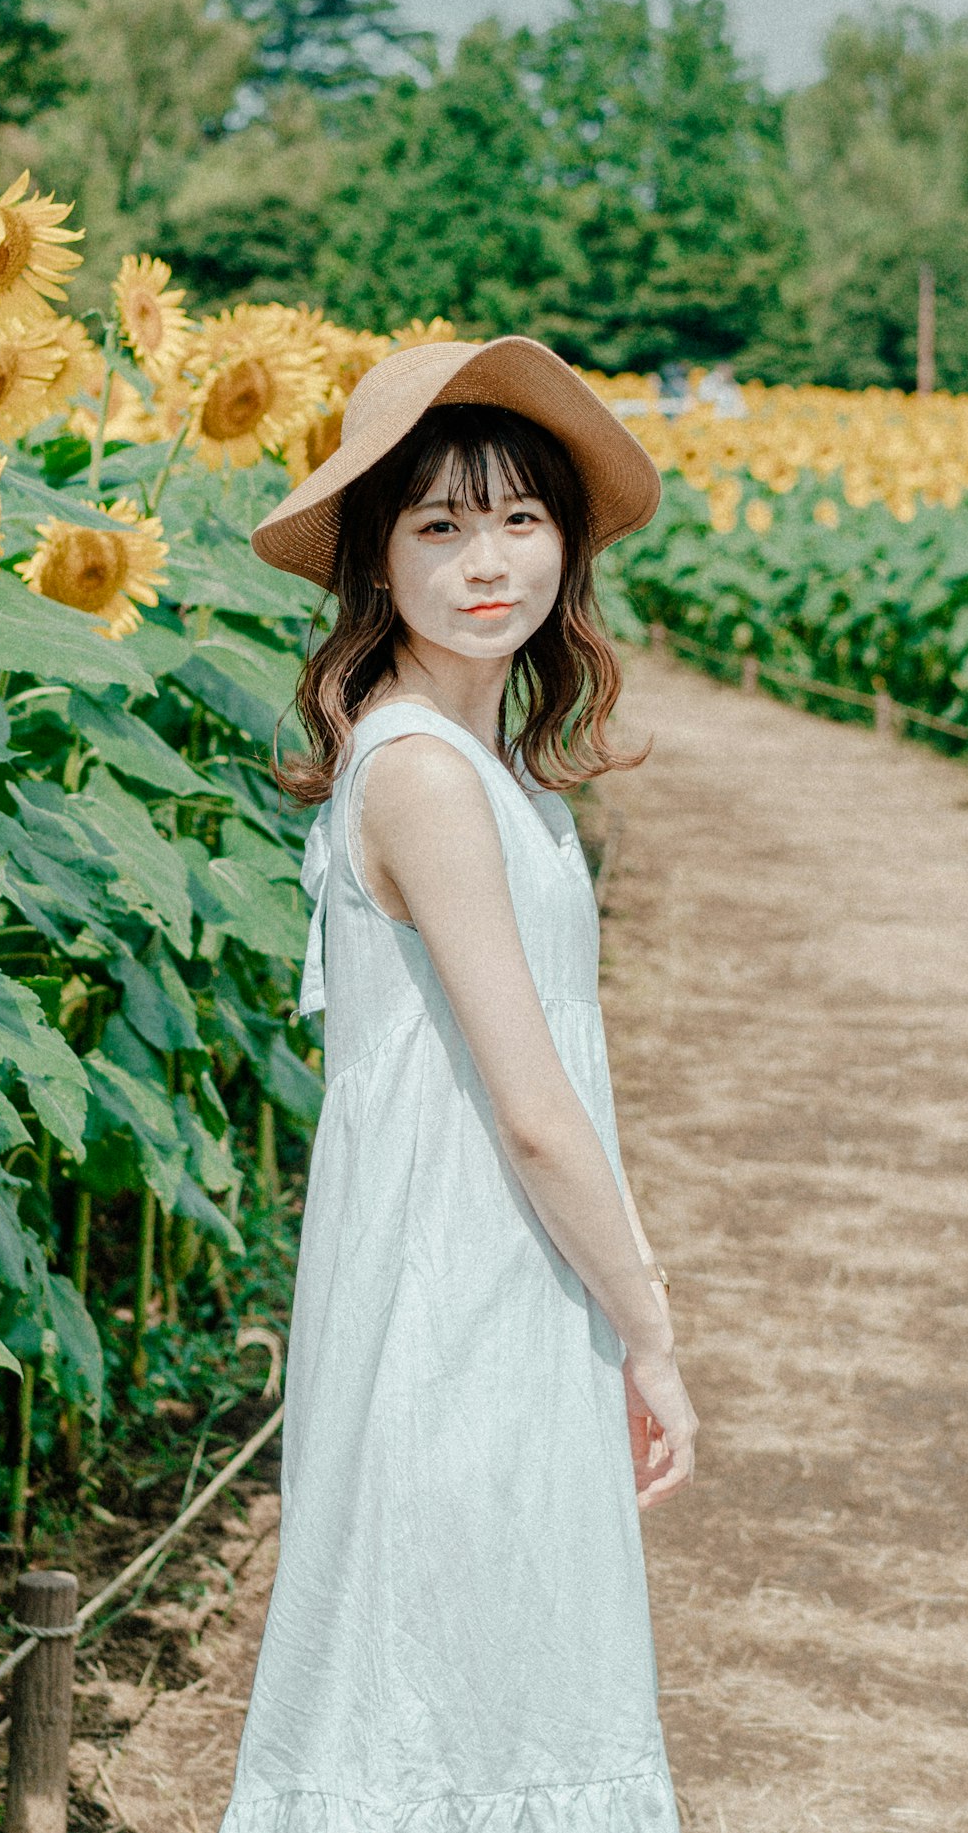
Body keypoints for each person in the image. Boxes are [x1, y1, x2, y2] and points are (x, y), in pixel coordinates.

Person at [221, 335, 694, 1833]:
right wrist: (654, 1332)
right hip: (464, 1291)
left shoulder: (484, 767)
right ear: (374, 560)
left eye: (517, 518)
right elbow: (540, 1113)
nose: (486, 560)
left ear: (563, 536)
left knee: (472, 1692)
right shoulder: (425, 775)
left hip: (484, 1281)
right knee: (448, 1700)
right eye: (437, 525)